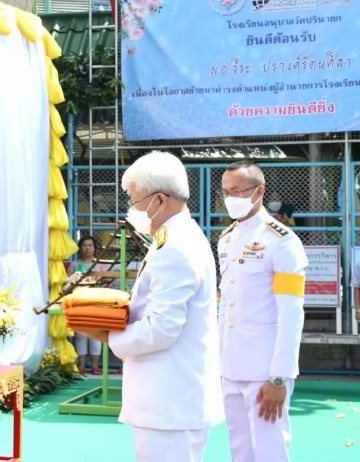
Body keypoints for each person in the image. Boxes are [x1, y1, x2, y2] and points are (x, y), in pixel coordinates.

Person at [72, 151, 223, 462]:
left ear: (159, 200)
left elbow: (162, 328)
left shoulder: (176, 247)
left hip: (170, 403)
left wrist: (106, 335)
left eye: (134, 200)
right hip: (171, 400)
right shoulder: (173, 238)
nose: (131, 209)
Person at [218, 161, 307, 462]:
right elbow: (225, 306)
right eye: (226, 192)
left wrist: (280, 376)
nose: (231, 198)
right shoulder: (227, 239)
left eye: (238, 191)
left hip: (265, 370)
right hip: (230, 365)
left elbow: (291, 312)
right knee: (240, 448)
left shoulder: (281, 241)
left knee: (270, 449)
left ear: (259, 192)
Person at [65, 235, 103, 374]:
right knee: (80, 335)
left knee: (95, 335)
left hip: (96, 303)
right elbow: (68, 284)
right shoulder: (74, 265)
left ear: (94, 248)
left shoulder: (100, 265)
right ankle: (81, 365)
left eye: (90, 245)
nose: (87, 248)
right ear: (80, 248)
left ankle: (95, 366)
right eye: (85, 245)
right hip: (79, 303)